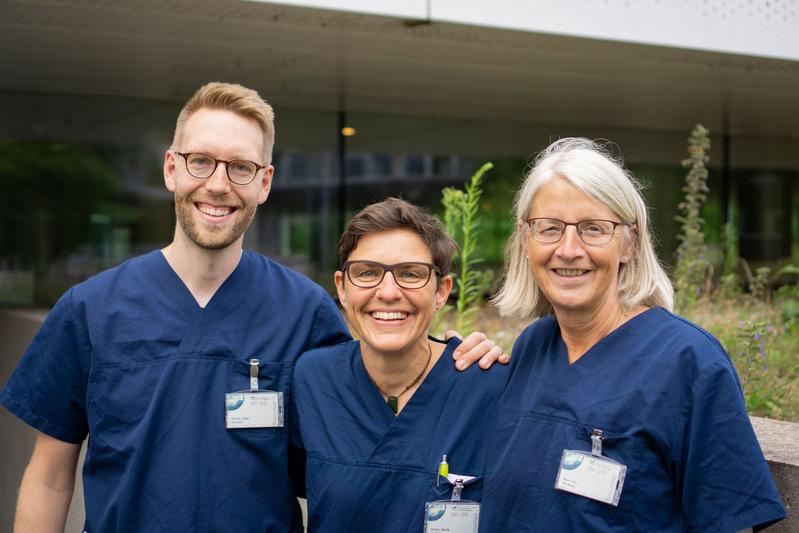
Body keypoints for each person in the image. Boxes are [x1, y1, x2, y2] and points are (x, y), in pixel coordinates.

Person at [0, 82, 505, 532]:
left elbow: (364, 425)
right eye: (201, 161)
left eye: (240, 167)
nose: (218, 184)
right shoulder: (90, 309)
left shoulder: (305, 311)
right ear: (172, 169)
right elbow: (48, 475)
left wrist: (454, 358)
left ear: (263, 183)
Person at [480, 138, 786, 532]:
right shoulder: (532, 347)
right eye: (550, 228)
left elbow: (729, 520)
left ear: (629, 242)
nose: (569, 249)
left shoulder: (689, 362)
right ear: (525, 240)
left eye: (593, 229)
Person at [292, 198, 509, 532]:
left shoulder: (489, 387)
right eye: (367, 273)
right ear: (342, 289)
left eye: (410, 274)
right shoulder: (313, 380)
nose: (389, 292)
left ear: (441, 292)